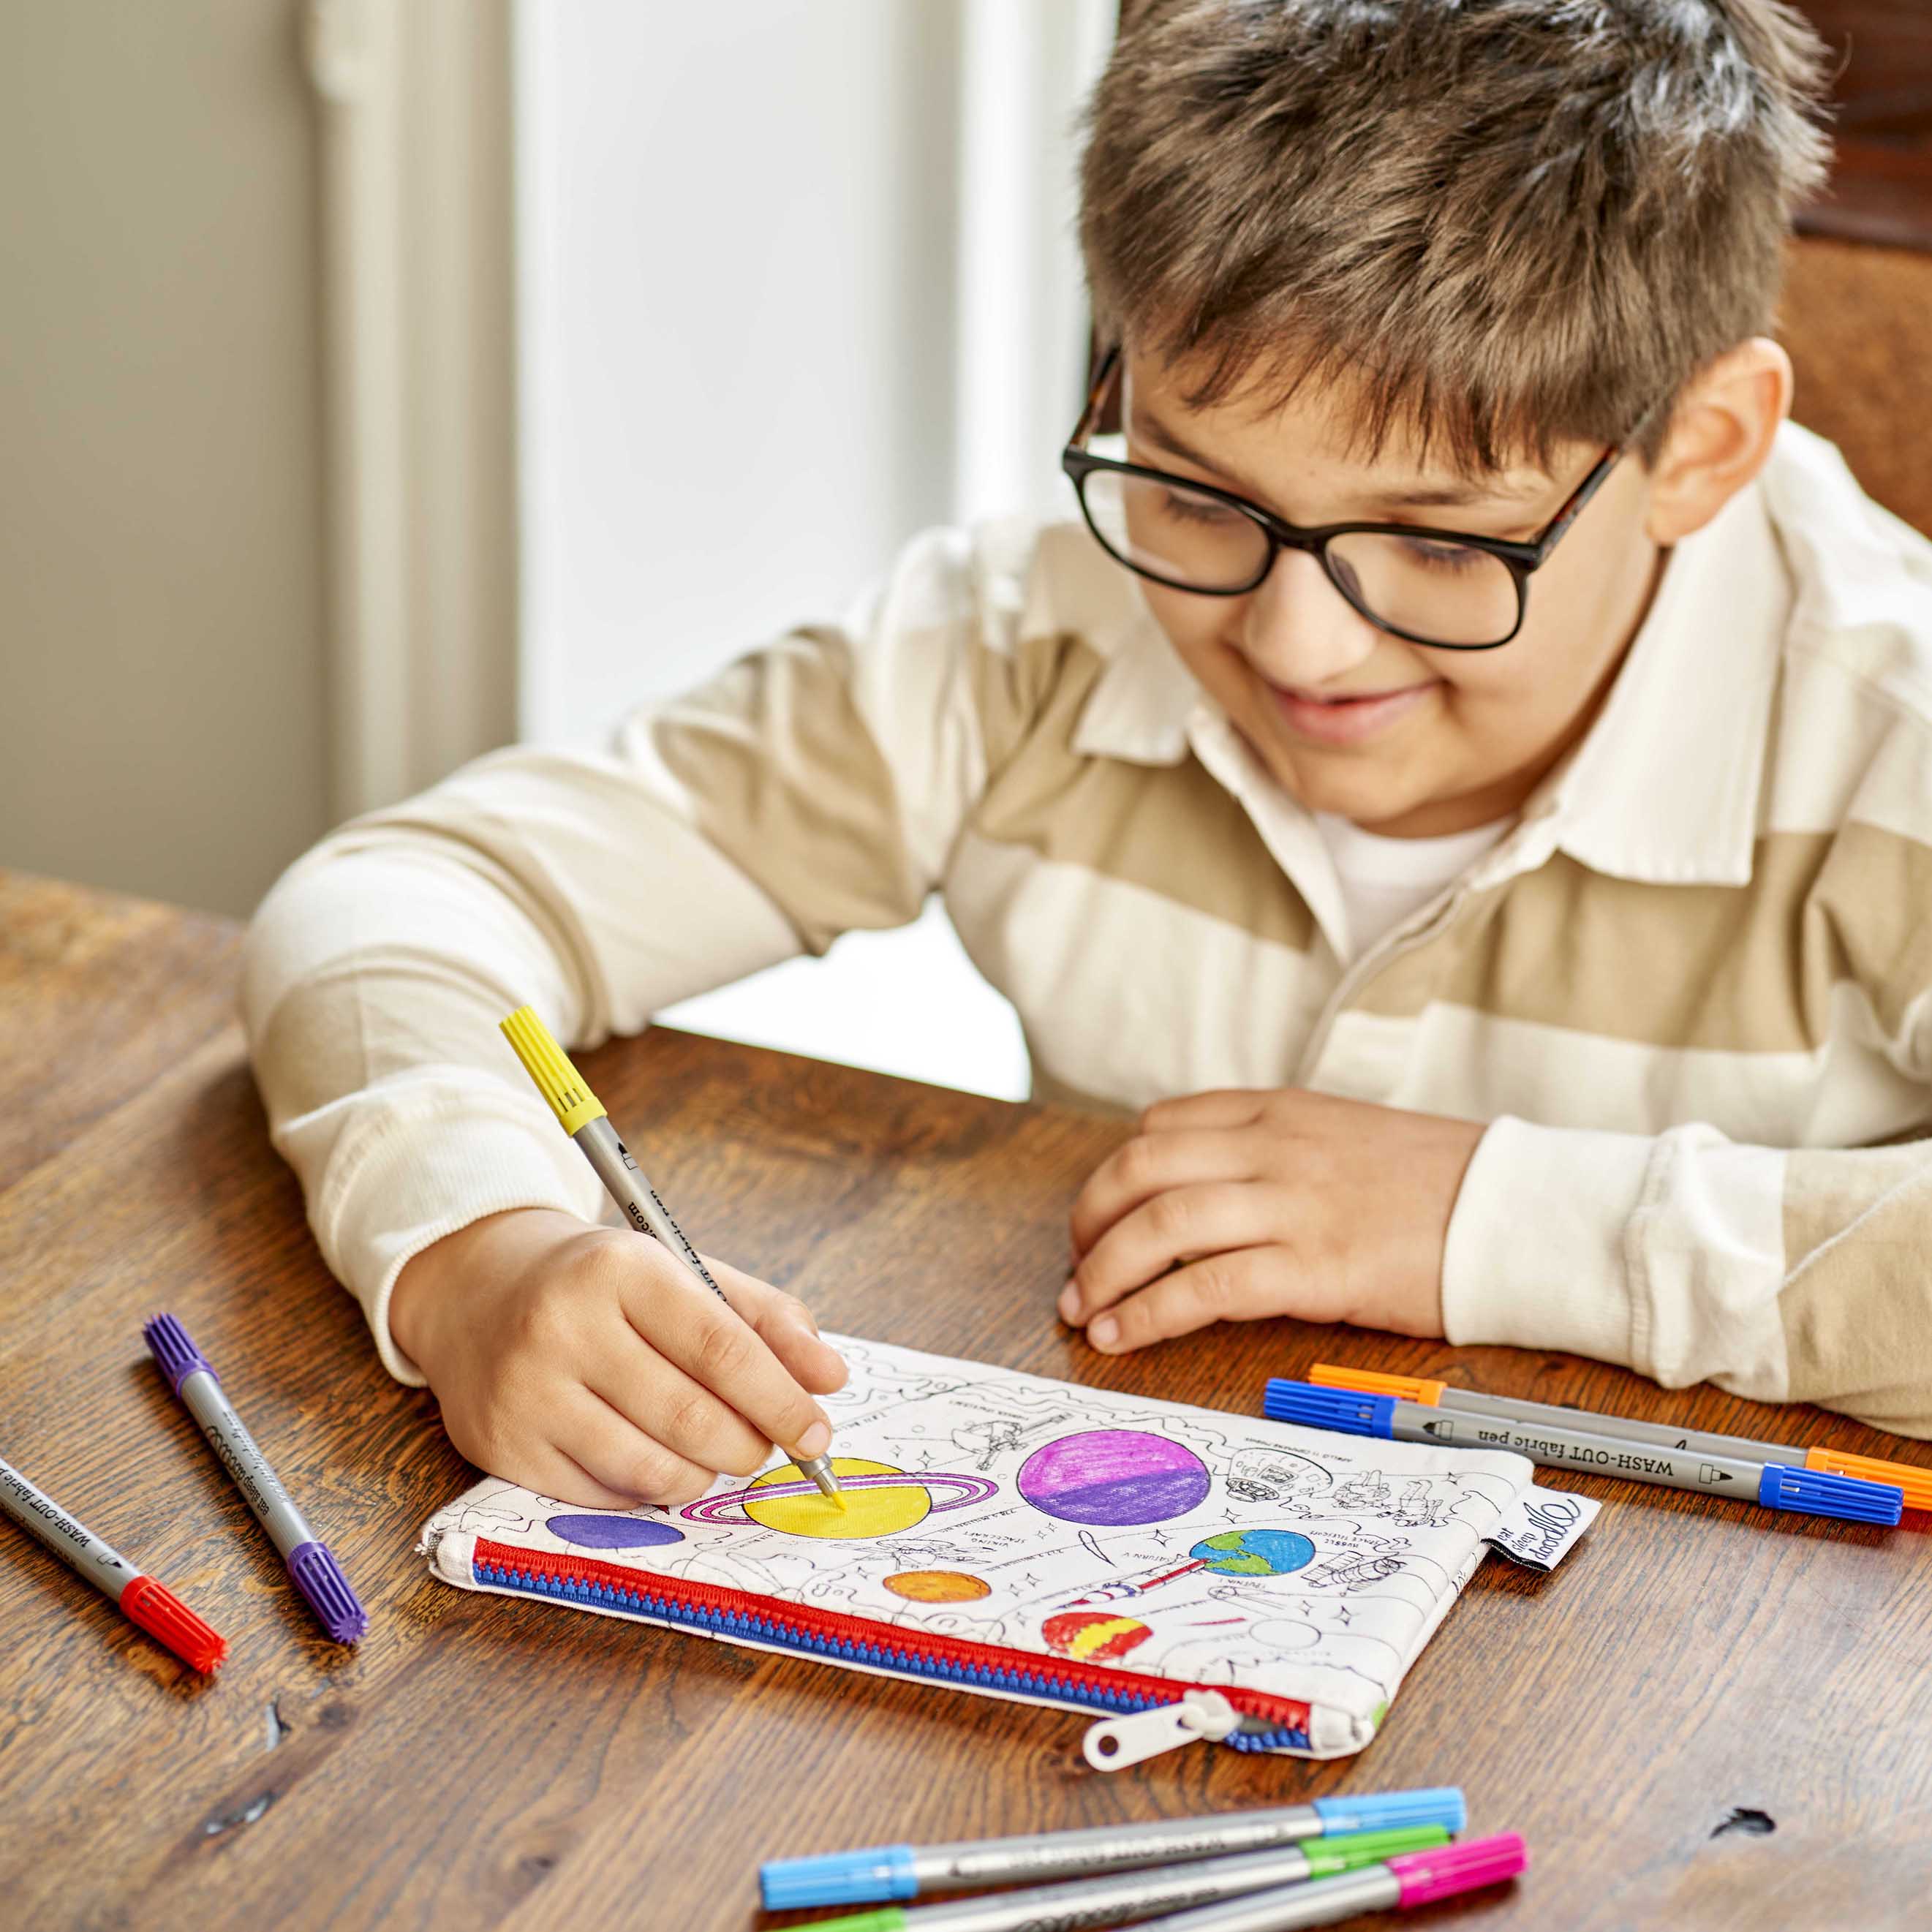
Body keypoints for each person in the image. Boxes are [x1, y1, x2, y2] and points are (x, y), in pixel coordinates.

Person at [245, 0, 1932, 1512]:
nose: (1295, 645)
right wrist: (476, 1254)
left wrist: (1491, 1222)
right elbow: (406, 896)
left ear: (1702, 445)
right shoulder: (1032, 634)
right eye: (1193, 492)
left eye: (1437, 541)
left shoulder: (1887, 737)